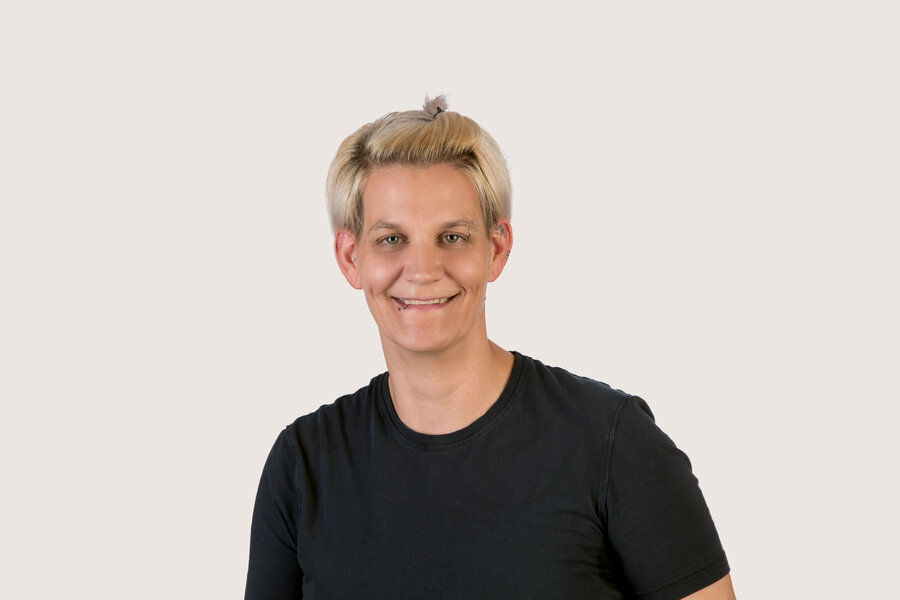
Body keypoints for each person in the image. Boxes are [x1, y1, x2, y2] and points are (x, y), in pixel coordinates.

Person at [245, 96, 736, 600]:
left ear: (496, 248)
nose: (423, 270)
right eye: (391, 239)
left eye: (452, 237)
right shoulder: (303, 466)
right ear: (350, 257)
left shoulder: (613, 443)